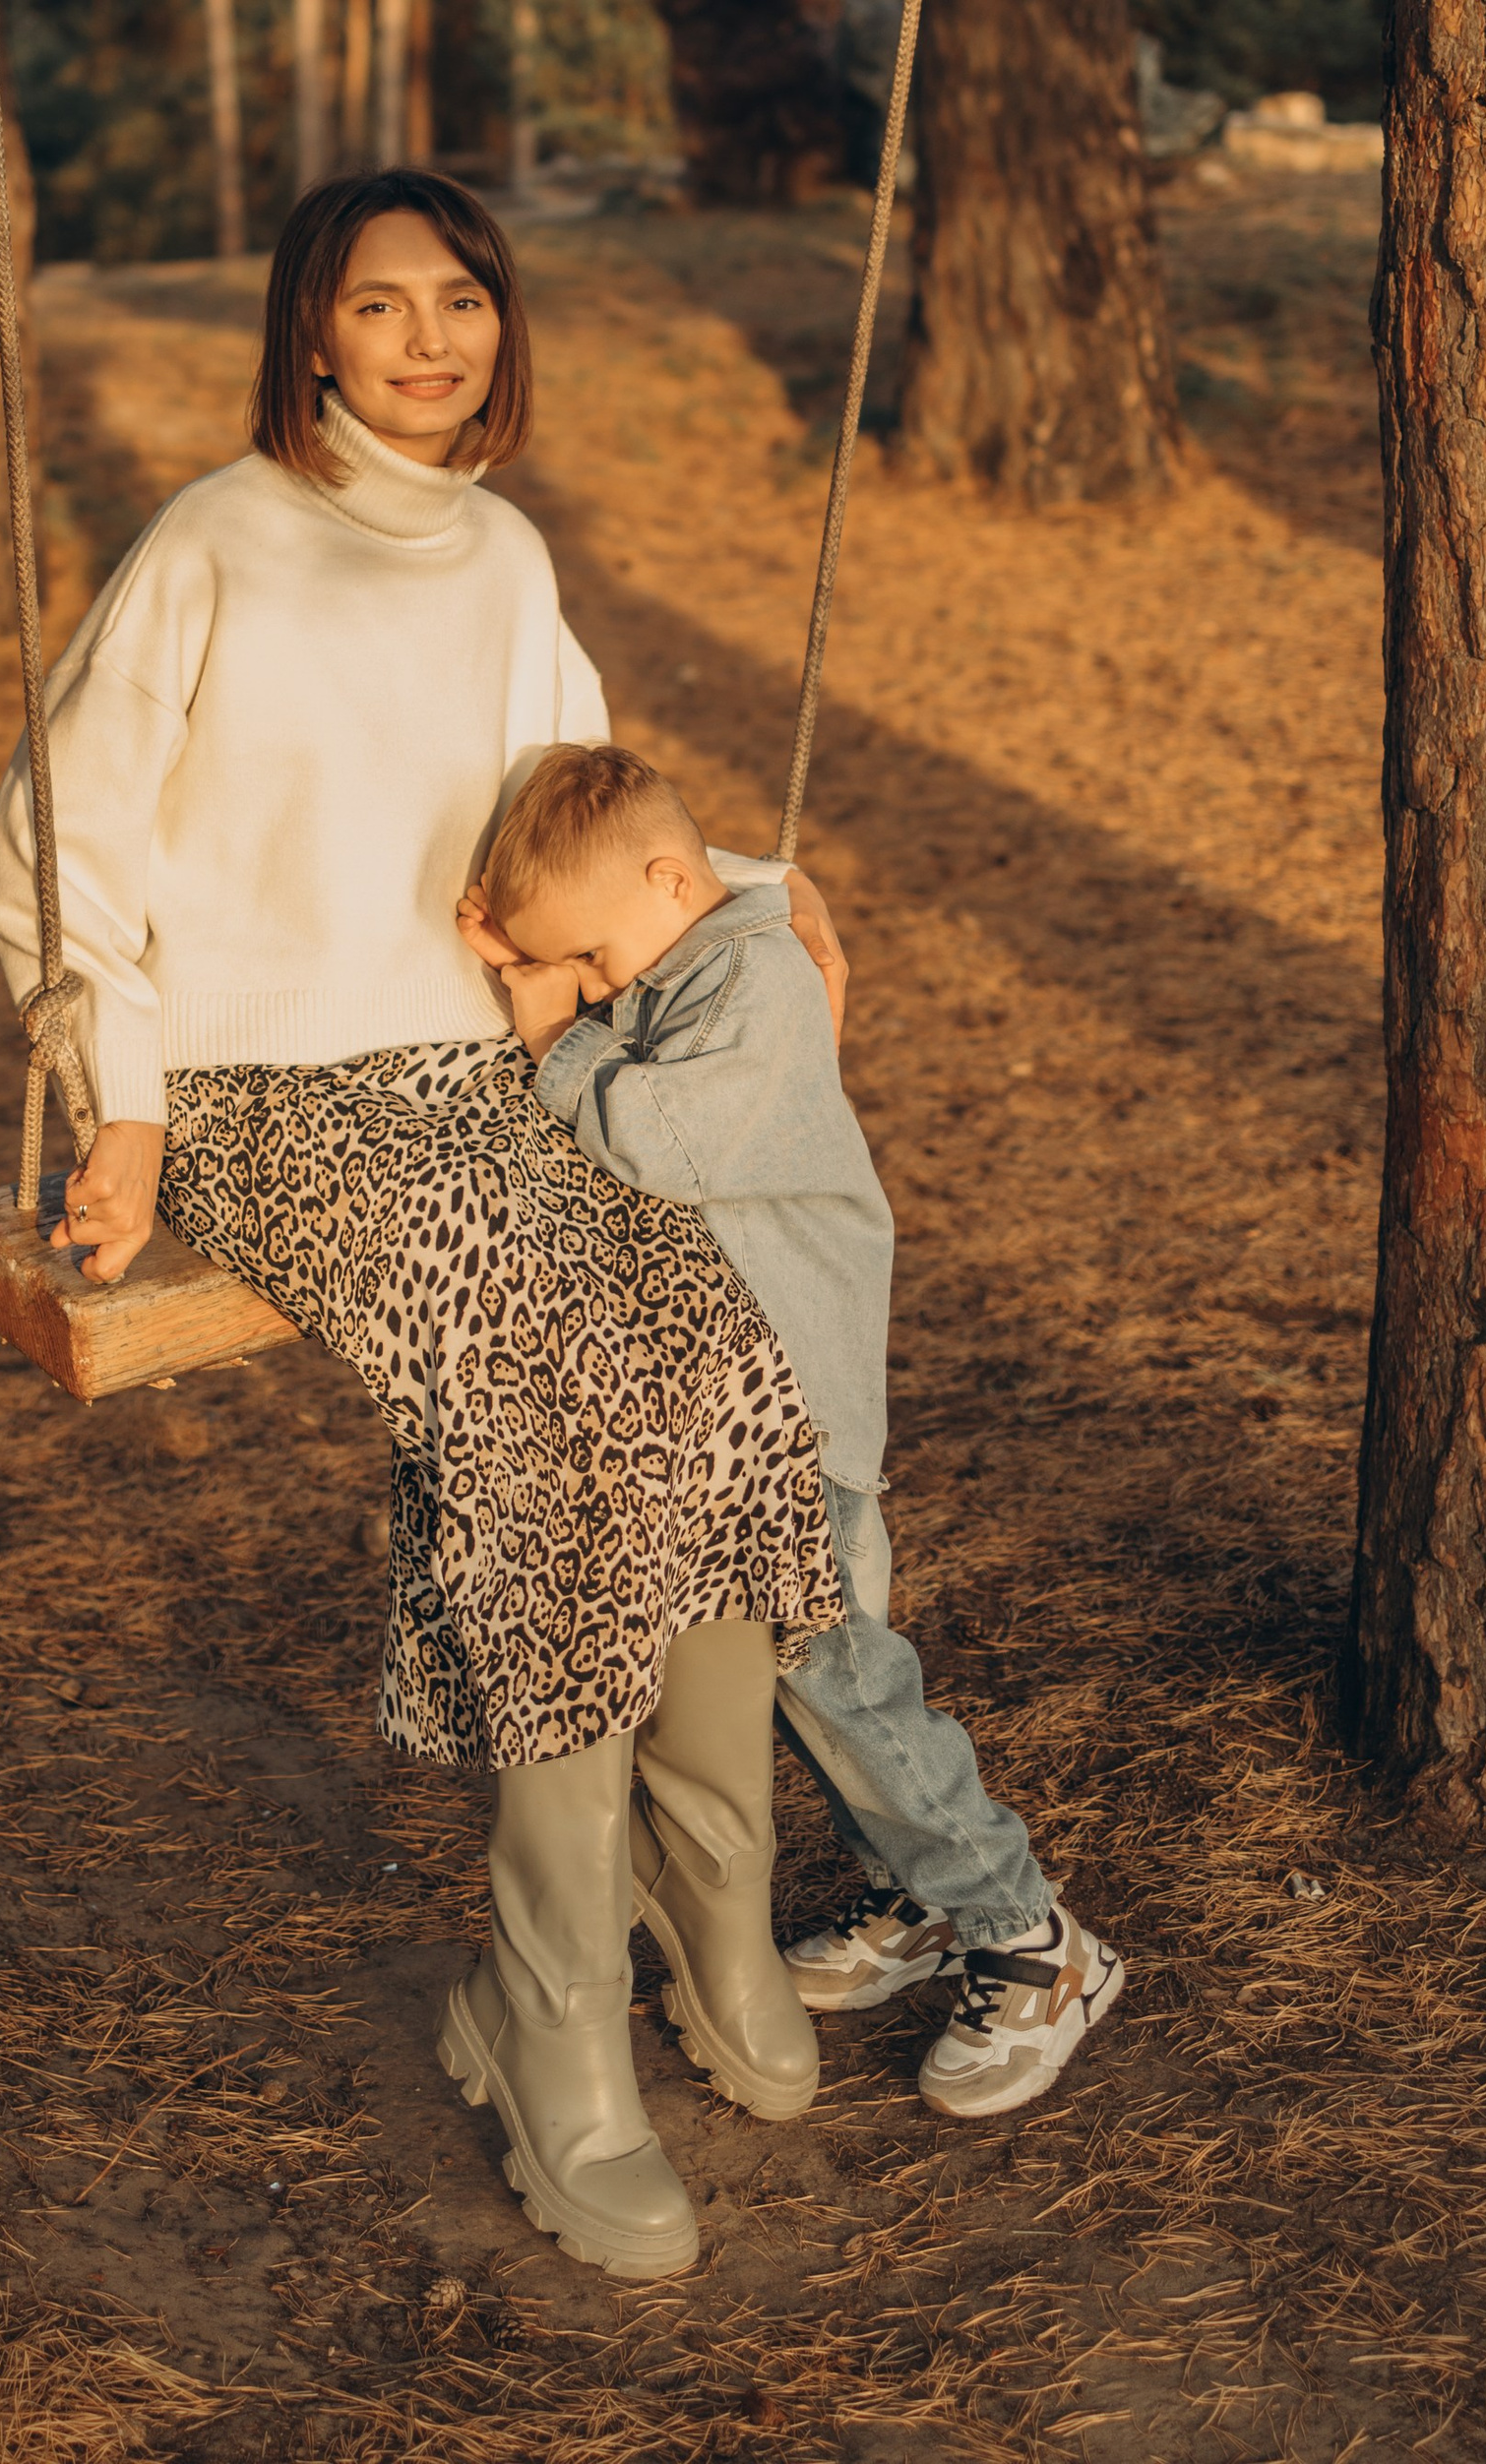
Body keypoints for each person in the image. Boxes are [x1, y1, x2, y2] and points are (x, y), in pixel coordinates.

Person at [0, 170, 849, 2282]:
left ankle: (708, 1893)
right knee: (546, 1373)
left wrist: (745, 892)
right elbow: (57, 840)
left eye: (458, 300)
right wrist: (120, 1102)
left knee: (710, 1320)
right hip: (272, 1096)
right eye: (380, 307)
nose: (427, 339)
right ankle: (547, 2008)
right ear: (311, 331)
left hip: (474, 1069)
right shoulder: (213, 541)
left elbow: (578, 806)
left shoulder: (502, 555)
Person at [461, 741, 1126, 2124]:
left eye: (592, 956)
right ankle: (915, 1895)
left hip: (799, 1418)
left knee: (846, 1681)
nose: (591, 983)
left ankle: (1029, 1936)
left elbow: (664, 1141)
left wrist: (552, 1034)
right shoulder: (685, 946)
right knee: (797, 1680)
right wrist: (547, 958)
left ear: (670, 881)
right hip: (740, 1415)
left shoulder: (754, 984)